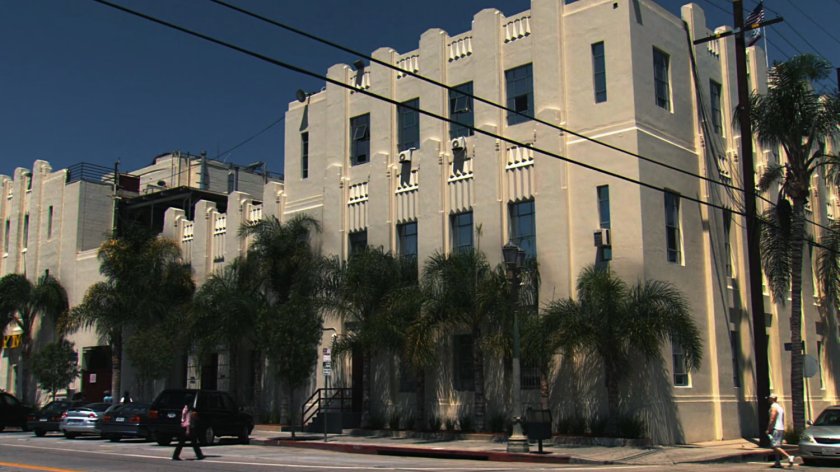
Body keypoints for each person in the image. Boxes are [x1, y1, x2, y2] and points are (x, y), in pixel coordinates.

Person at [766, 394, 795, 468]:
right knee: (777, 446)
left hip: (776, 428)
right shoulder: (780, 407)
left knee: (775, 446)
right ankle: (777, 462)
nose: (769, 399)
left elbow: (772, 418)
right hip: (780, 428)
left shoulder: (774, 407)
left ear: (772, 399)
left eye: (770, 398)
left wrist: (769, 429)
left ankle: (789, 456)